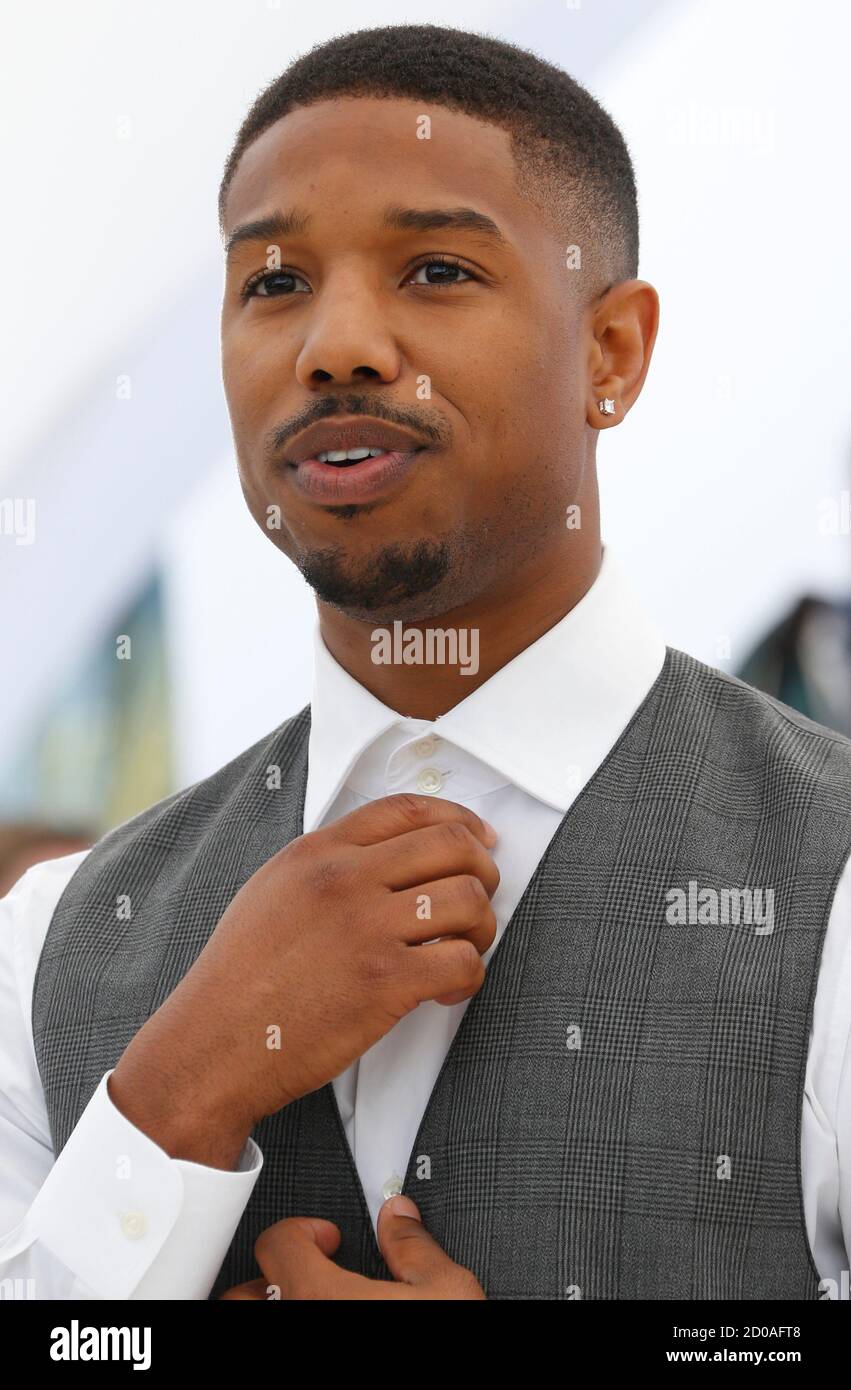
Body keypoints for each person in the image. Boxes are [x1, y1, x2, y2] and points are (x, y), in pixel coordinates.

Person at [1, 24, 849, 1302]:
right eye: (273, 284)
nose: (334, 345)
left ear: (610, 354)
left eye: (437, 268)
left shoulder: (829, 885)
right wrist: (178, 1091)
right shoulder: (51, 943)